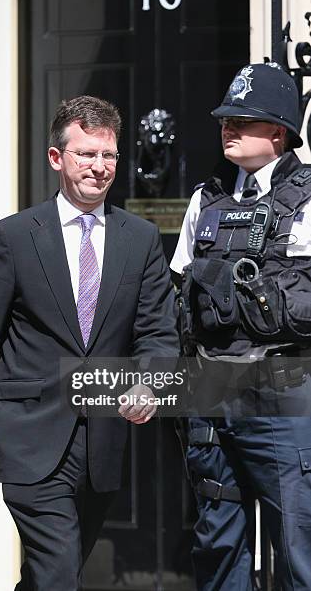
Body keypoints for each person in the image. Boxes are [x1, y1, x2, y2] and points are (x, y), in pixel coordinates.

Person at [0, 95, 179, 591]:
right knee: (57, 575)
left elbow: (158, 329)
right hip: (29, 434)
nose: (99, 167)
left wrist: (150, 384)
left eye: (108, 155)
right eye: (85, 154)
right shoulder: (14, 237)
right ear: (57, 158)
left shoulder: (140, 238)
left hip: (101, 443)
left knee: (55, 572)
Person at [171, 63, 311, 590]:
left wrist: (253, 295)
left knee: (299, 550)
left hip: (283, 399)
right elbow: (176, 296)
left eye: (243, 120)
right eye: (226, 118)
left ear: (279, 132)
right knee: (218, 544)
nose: (228, 128)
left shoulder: (307, 199)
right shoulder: (205, 200)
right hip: (211, 396)